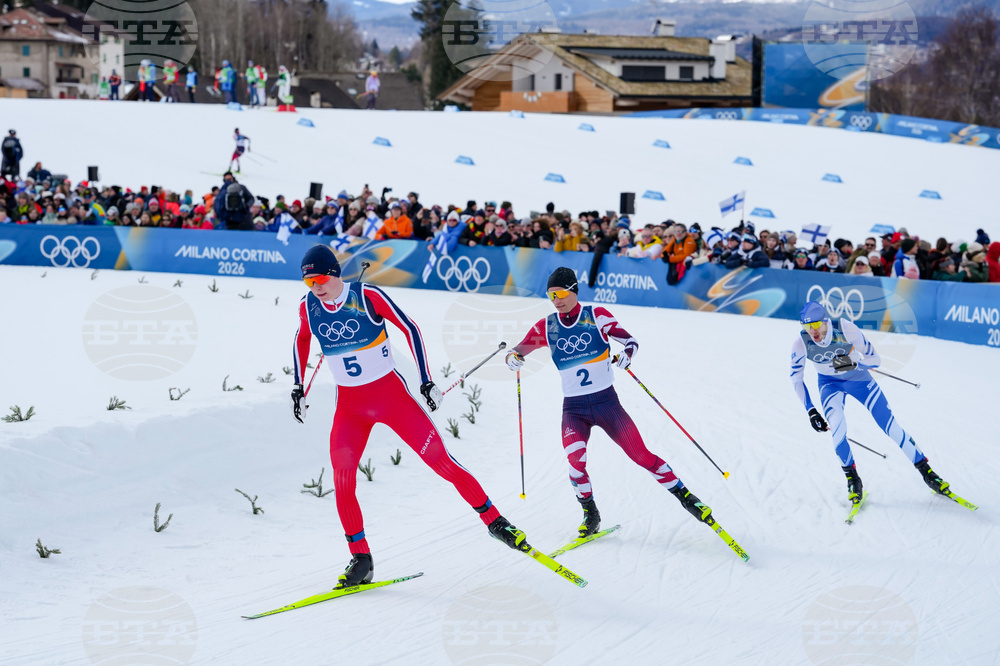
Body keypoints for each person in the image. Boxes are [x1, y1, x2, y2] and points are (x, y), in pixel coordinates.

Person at [292, 246, 532, 586]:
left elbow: (411, 328)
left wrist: (425, 380)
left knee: (442, 462)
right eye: (307, 281)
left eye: (318, 278)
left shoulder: (368, 295)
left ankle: (496, 522)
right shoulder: (308, 306)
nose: (314, 286)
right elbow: (302, 339)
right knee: (343, 479)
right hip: (349, 408)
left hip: (391, 398)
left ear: (335, 273)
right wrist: (298, 386)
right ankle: (361, 559)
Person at [504, 267, 734, 545]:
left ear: (574, 290)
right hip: (574, 410)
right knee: (575, 462)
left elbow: (630, 341)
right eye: (551, 295)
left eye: (561, 293)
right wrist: (512, 358)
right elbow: (520, 349)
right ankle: (591, 514)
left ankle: (687, 498)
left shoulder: (595, 316)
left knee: (641, 456)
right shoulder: (546, 326)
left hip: (606, 404)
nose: (556, 300)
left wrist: (626, 355)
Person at [790, 301, 955, 510]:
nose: (812, 331)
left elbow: (875, 359)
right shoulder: (801, 342)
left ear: (825, 321)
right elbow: (796, 378)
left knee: (889, 426)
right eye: (807, 327)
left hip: (859, 379)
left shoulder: (845, 328)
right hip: (829, 384)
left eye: (815, 325)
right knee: (838, 430)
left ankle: (928, 473)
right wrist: (811, 410)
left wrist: (855, 364)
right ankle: (853, 481)